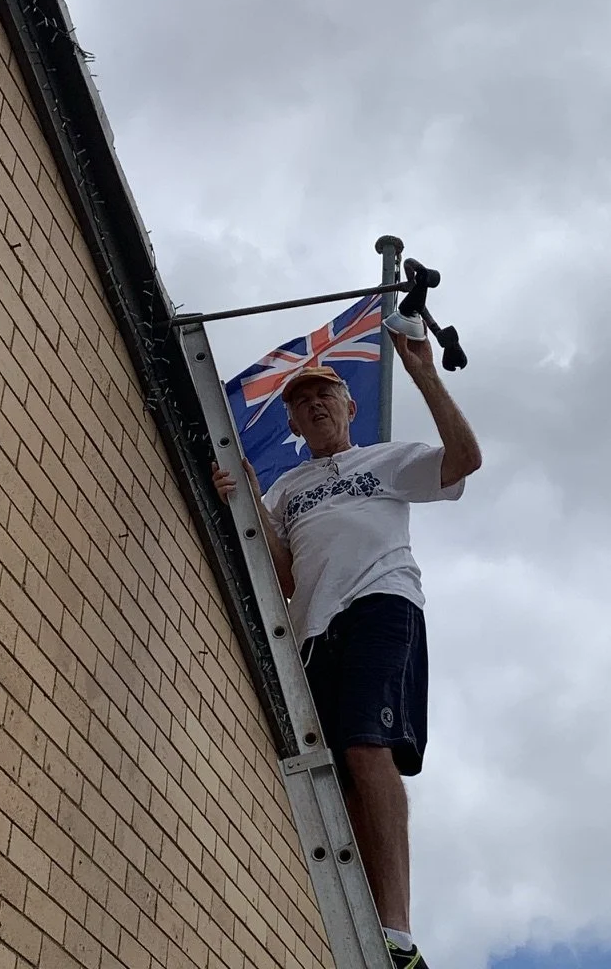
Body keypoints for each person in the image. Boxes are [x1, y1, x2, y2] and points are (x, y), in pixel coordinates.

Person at [213, 328, 482, 969]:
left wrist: (425, 374)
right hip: (314, 630)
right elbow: (280, 578)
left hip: (382, 606)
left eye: (325, 395)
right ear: (294, 422)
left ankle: (399, 932)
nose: (315, 407)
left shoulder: (387, 461)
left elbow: (464, 459)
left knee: (369, 746)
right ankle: (368, 936)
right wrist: (247, 495)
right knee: (342, 777)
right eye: (302, 404)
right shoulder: (287, 490)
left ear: (349, 405)